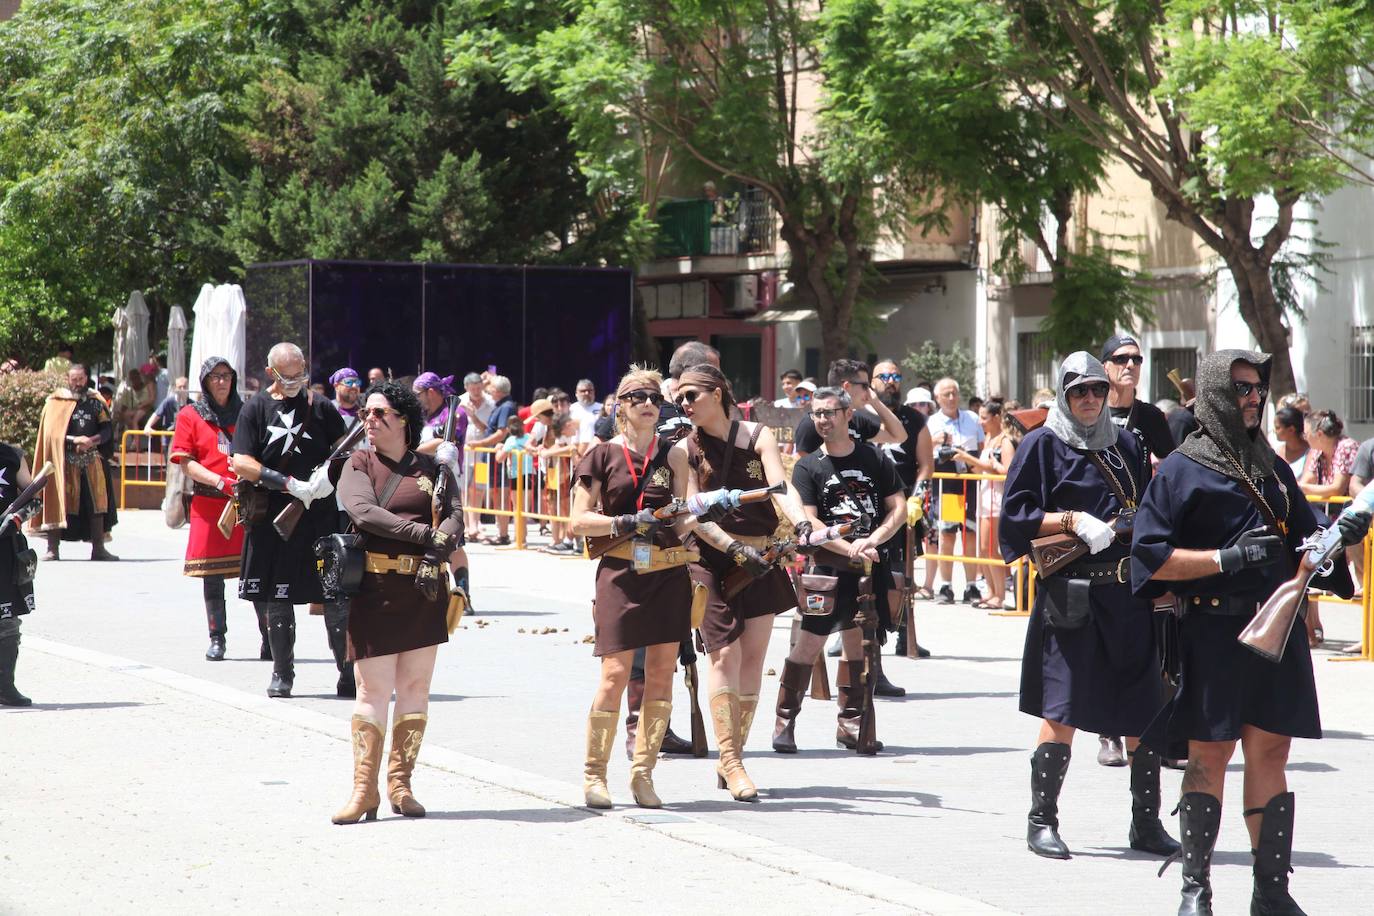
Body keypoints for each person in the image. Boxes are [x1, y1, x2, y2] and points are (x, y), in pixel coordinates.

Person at [1130, 350, 1367, 916]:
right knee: (1210, 756)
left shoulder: (1276, 470)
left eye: (1258, 388)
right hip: (1214, 631)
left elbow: (1308, 545)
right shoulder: (1182, 470)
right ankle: (1196, 890)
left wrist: (1332, 552)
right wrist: (1224, 558)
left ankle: (1271, 891)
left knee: (1271, 752)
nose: (1254, 398)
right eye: (1241, 388)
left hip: (1277, 631)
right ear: (1214, 392)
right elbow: (1149, 560)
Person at [998, 352, 1178, 862]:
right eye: (1079, 391)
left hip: (1127, 594)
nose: (1090, 399)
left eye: (1097, 390)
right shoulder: (1041, 444)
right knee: (1064, 708)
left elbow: (1148, 511)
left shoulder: (1127, 444)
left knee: (1144, 710)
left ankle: (1145, 825)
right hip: (1072, 596)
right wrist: (1071, 519)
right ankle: (1041, 821)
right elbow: (1016, 519)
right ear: (1063, 393)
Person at [671, 364, 812, 799]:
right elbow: (690, 514)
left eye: (691, 395)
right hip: (711, 559)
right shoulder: (683, 448)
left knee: (753, 659)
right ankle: (731, 761)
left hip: (762, 556)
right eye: (678, 397)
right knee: (724, 654)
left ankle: (734, 756)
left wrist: (803, 523)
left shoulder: (757, 435)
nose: (684, 404)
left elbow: (781, 488)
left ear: (717, 392)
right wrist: (732, 549)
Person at [330, 381, 467, 824]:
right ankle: (362, 789)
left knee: (415, 689)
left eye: (379, 412)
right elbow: (364, 511)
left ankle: (400, 785)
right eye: (366, 413)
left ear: (404, 419)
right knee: (372, 691)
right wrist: (427, 536)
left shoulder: (431, 466)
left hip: (425, 588)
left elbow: (454, 514)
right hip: (375, 586)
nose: (369, 420)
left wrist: (438, 551)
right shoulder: (359, 461)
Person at [569, 366, 697, 809]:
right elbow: (579, 519)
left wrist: (707, 518)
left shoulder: (676, 455)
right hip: (620, 573)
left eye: (654, 397)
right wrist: (624, 521)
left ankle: (643, 775)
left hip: (667, 573)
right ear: (620, 406)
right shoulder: (601, 454)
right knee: (614, 675)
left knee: (663, 674)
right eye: (637, 397)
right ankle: (594, 775)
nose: (647, 403)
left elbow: (682, 519)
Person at [777, 387, 907, 754]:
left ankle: (851, 724)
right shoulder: (808, 466)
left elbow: (897, 506)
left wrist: (875, 539)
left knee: (859, 648)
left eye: (829, 412)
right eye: (816, 413)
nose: (822, 419)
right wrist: (847, 545)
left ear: (848, 415)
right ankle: (785, 721)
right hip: (829, 569)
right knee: (809, 644)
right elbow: (810, 519)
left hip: (870, 565)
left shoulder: (875, 458)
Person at [230, 342, 352, 698]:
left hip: (320, 516)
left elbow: (344, 447)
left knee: (335, 597)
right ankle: (283, 673)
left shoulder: (322, 406)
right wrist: (285, 482)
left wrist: (327, 477)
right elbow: (241, 461)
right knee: (278, 598)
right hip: (274, 517)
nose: (297, 381)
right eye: (289, 376)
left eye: (302, 374)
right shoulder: (255, 408)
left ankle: (347, 674)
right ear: (271, 373)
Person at [169, 358, 249, 661]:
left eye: (227, 376)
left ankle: (269, 637)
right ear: (205, 381)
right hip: (208, 503)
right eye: (215, 376)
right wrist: (219, 482)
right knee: (211, 576)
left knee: (254, 570)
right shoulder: (190, 415)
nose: (222, 382)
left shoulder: (246, 412)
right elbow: (186, 461)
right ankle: (217, 638)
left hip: (246, 501)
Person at [872, 360, 932, 663]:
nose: (891, 382)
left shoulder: (914, 420)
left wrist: (917, 499)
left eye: (896, 376)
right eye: (884, 376)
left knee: (903, 573)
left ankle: (903, 632)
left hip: (903, 509)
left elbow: (926, 467)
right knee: (862, 570)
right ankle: (849, 631)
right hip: (866, 509)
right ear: (872, 382)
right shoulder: (859, 417)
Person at [31, 364, 119, 561]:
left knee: (97, 502)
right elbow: (51, 433)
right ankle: (53, 549)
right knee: (57, 501)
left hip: (92, 460)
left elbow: (106, 430)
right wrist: (74, 440)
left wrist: (91, 441)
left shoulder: (97, 402)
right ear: (67, 379)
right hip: (63, 461)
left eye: (80, 379)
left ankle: (98, 548)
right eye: (73, 379)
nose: (77, 383)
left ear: (86, 378)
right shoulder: (56, 401)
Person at [1297, 408, 1358, 649]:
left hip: (1352, 519)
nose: (1304, 437)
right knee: (1311, 570)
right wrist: (1309, 487)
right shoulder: (1316, 451)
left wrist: (1306, 488)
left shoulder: (1347, 447)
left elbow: (1336, 487)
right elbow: (1307, 481)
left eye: (1306, 433)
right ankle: (1313, 629)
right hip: (1324, 517)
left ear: (1319, 433)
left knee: (1361, 576)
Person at [951, 398, 1015, 609]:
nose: (980, 422)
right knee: (982, 549)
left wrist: (970, 459)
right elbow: (983, 469)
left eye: (984, 418)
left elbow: (1008, 471)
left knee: (990, 549)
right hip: (984, 498)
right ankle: (991, 591)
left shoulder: (1005, 441)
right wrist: (968, 462)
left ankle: (999, 595)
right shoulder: (989, 439)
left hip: (996, 501)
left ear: (996, 418)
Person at [927, 377, 984, 604]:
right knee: (947, 534)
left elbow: (981, 448)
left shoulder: (972, 418)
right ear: (937, 398)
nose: (951, 398)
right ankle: (946, 585)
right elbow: (923, 454)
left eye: (954, 393)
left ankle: (971, 586)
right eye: (946, 394)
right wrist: (934, 442)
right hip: (947, 483)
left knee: (970, 534)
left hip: (969, 482)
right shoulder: (931, 422)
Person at [791, 359, 906, 456]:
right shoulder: (813, 422)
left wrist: (875, 402)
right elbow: (805, 468)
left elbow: (899, 436)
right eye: (865, 386)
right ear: (847, 386)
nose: (870, 391)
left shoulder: (858, 420)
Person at [0, 443, 40, 706]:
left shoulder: (13, 455)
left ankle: (5, 686)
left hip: (6, 548)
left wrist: (15, 519)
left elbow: (34, 499)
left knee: (7, 621)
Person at [1101, 335, 1175, 462]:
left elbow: (1170, 468)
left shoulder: (1152, 416)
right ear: (1105, 367)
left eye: (1136, 359)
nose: (1131, 365)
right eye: (1121, 359)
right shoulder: (1091, 411)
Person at [468, 375, 517, 545]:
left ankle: (503, 534)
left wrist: (479, 443)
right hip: (486, 458)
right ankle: (475, 527)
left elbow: (501, 432)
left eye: (491, 388)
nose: (488, 390)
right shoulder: (501, 405)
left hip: (494, 458)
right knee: (477, 489)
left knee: (499, 495)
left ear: (498, 391)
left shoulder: (506, 407)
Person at [112, 367, 156, 435]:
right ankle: (126, 438)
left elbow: (151, 400)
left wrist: (139, 406)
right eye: (132, 379)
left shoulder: (146, 388)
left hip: (146, 411)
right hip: (134, 413)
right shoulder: (128, 391)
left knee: (131, 417)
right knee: (120, 417)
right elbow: (123, 407)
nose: (134, 380)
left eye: (136, 378)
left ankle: (135, 441)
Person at [1272, 406, 1310, 479]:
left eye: (1277, 427)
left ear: (1291, 430)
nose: (1274, 430)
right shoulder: (1277, 452)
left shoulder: (1311, 452)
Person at [569, 379, 602, 448]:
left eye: (590, 391)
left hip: (598, 450)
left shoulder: (602, 408)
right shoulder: (571, 409)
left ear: (594, 392)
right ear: (576, 393)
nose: (587, 393)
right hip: (576, 452)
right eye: (583, 391)